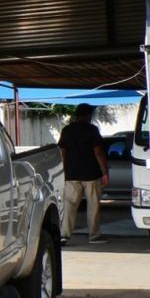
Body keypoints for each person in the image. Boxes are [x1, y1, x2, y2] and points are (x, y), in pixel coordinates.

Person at [58, 103, 109, 244]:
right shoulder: (92, 130)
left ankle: (64, 234)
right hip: (92, 174)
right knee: (93, 205)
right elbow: (98, 152)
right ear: (88, 116)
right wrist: (105, 172)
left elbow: (62, 152)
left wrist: (63, 170)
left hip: (71, 174)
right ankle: (94, 235)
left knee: (69, 205)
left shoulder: (66, 130)